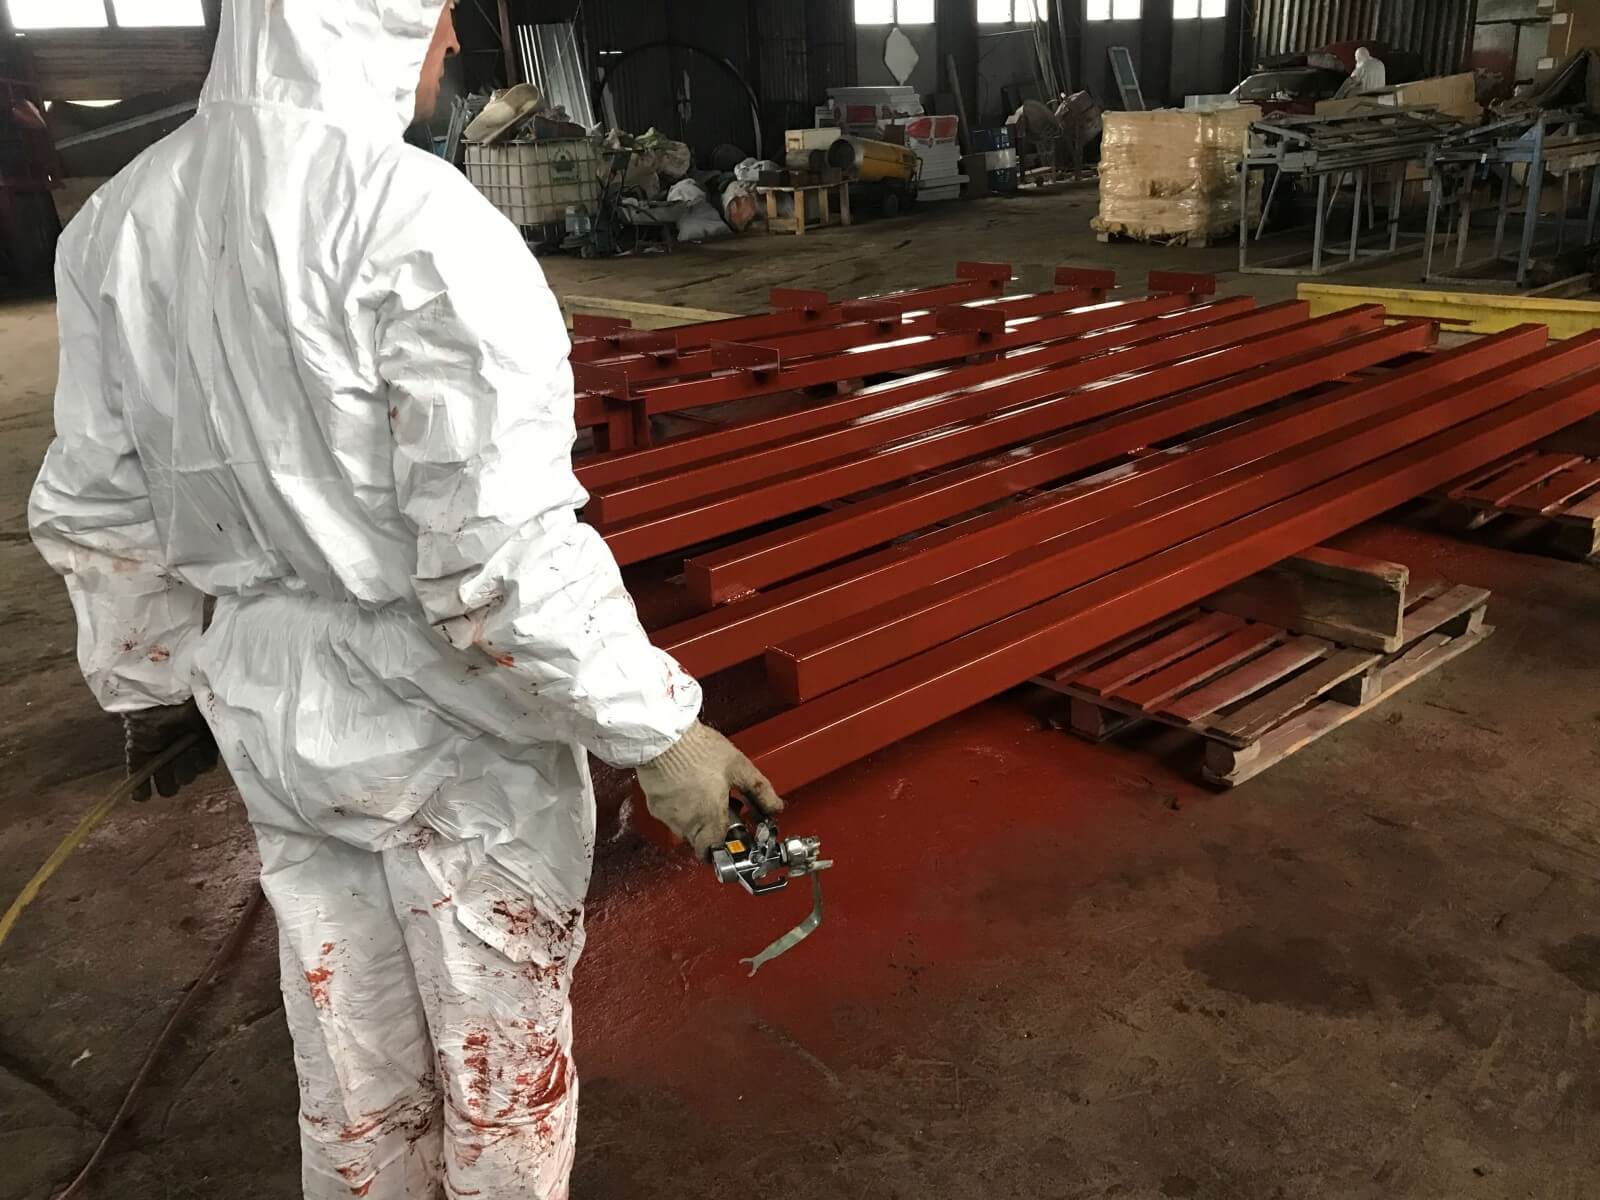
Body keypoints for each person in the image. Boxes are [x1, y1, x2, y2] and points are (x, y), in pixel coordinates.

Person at [28, 1, 782, 1196]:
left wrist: (152, 679)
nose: (451, 45)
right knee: (499, 1071)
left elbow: (97, 501)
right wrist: (657, 732)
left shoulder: (119, 219)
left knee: (349, 1058)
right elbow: (498, 558)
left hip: (268, 698)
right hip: (445, 721)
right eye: (435, 15)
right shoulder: (415, 218)